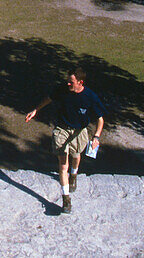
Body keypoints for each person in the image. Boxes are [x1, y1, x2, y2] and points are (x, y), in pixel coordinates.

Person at [24, 66, 106, 214]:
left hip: (80, 131)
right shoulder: (62, 90)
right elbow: (48, 99)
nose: (68, 84)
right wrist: (36, 110)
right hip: (62, 130)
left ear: (80, 82)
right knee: (63, 166)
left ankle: (73, 175)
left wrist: (96, 136)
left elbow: (100, 120)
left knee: (76, 155)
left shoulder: (90, 97)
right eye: (68, 81)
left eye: (71, 82)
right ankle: (66, 199)